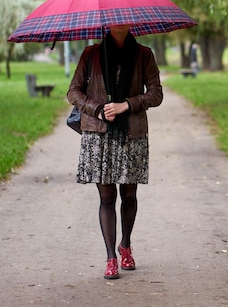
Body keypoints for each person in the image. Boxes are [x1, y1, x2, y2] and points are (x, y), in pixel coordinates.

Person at [67, 24, 163, 279]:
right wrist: (98, 109)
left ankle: (126, 245)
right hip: (99, 134)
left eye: (124, 18)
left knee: (129, 195)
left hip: (131, 133)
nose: (120, 22)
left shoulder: (144, 55)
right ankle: (111, 256)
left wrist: (126, 105)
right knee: (107, 197)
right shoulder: (91, 54)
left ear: (130, 22)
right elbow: (73, 92)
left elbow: (156, 94)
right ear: (108, 24)